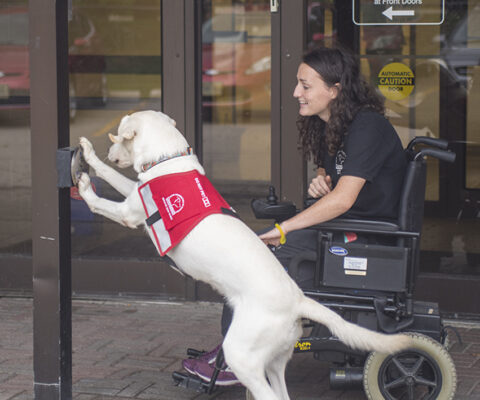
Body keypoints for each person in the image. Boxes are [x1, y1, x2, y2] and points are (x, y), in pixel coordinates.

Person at [182, 46, 407, 385]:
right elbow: (332, 171)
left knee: (257, 261)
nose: (295, 93)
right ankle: (233, 350)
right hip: (345, 226)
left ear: (334, 90)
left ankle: (235, 358)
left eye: (305, 85)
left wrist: (284, 228)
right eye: (298, 84)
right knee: (252, 255)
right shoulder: (332, 123)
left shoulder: (367, 127)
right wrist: (322, 178)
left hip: (367, 235)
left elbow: (344, 200)